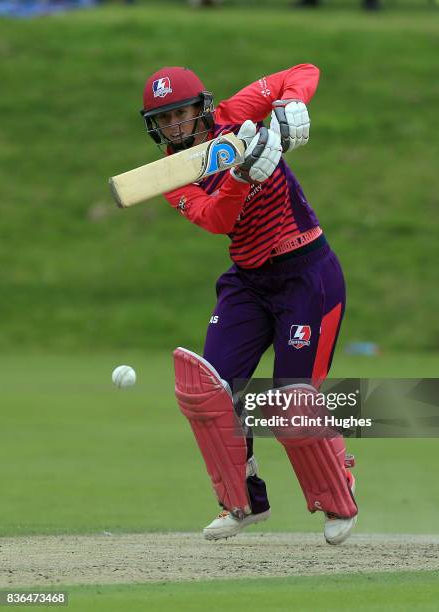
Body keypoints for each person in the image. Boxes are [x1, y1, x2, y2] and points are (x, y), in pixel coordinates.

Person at [140, 64, 358, 544]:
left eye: (181, 113)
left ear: (202, 108)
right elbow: (216, 219)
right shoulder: (172, 176)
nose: (175, 127)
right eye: (165, 119)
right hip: (248, 281)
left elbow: (303, 71)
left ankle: (336, 488)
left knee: (292, 400)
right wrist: (240, 175)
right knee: (209, 390)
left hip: (307, 271)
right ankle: (242, 500)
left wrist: (294, 102)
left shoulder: (234, 114)